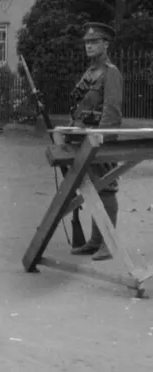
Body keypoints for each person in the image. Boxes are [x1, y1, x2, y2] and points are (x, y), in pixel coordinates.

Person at [68, 22, 123, 261]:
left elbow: (111, 112)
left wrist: (102, 141)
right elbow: (80, 106)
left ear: (106, 44)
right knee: (90, 189)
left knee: (106, 188)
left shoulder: (111, 72)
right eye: (87, 43)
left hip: (99, 140)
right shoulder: (89, 73)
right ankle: (94, 241)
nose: (89, 46)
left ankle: (108, 245)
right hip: (83, 138)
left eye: (94, 42)